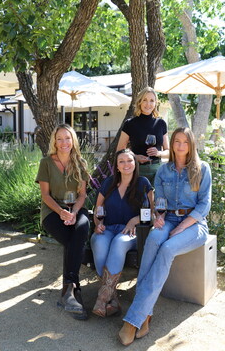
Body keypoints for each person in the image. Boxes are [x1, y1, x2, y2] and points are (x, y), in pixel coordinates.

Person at [118, 127, 212, 345]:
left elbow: (204, 205)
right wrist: (158, 216)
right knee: (152, 240)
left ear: (191, 145)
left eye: (185, 142)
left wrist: (181, 227)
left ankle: (132, 320)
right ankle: (146, 313)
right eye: (177, 141)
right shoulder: (163, 170)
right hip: (168, 220)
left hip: (194, 224)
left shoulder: (202, 168)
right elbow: (159, 202)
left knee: (168, 248)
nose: (180, 146)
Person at [90, 149, 153, 318]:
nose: (126, 164)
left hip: (131, 231)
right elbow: (98, 210)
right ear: (117, 166)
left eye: (129, 161)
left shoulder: (143, 183)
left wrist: (135, 220)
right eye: (121, 162)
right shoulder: (108, 183)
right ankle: (112, 299)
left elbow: (153, 212)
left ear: (135, 163)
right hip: (108, 228)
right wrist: (98, 224)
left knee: (119, 242)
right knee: (98, 241)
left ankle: (102, 299)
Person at [36, 124, 90, 320]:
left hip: (75, 208)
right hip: (52, 211)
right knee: (72, 241)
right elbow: (45, 195)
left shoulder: (81, 163)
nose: (64, 142)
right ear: (54, 142)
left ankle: (69, 290)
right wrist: (61, 212)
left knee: (82, 228)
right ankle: (73, 290)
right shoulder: (46, 163)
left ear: (73, 140)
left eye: (67, 138)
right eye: (60, 139)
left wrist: (74, 212)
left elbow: (83, 194)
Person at [117, 87, 169, 183]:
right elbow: (119, 150)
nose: (148, 104)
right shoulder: (130, 124)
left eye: (151, 101)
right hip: (137, 170)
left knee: (157, 198)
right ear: (139, 102)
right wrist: (134, 157)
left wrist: (159, 153)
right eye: (145, 100)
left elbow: (169, 152)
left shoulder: (161, 123)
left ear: (155, 103)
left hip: (158, 172)